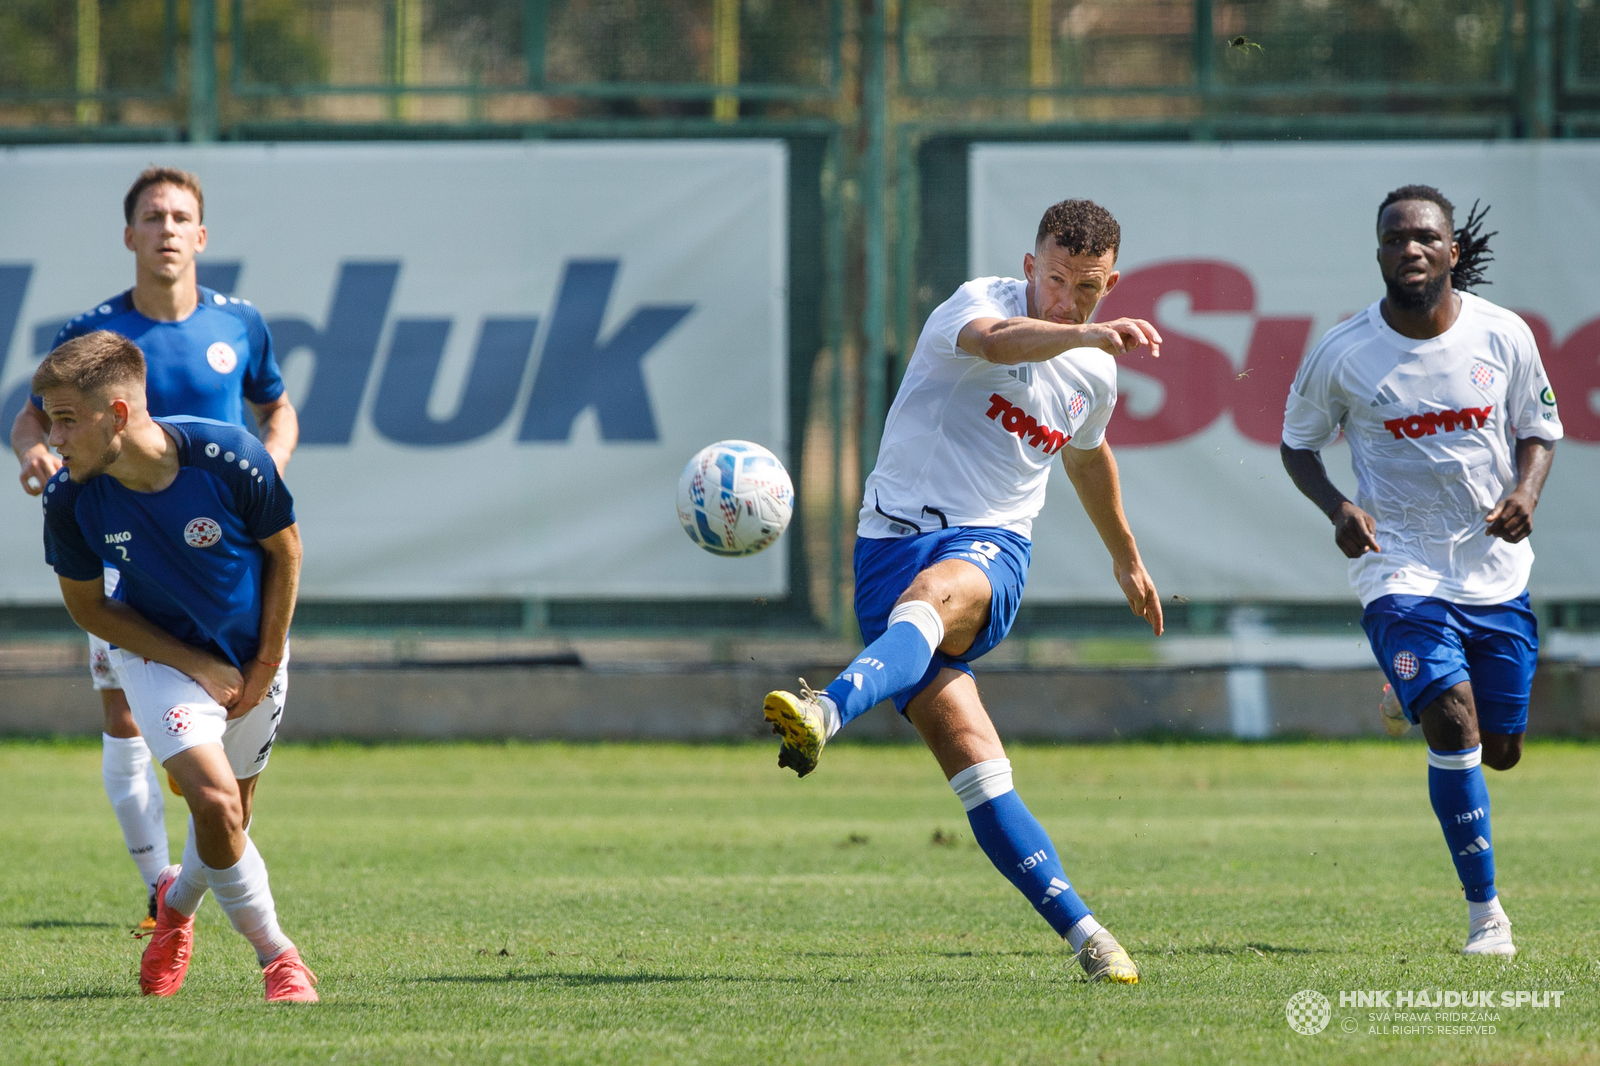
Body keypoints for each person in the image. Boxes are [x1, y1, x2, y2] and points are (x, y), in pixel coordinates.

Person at [762, 200, 1164, 983]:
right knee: (978, 763)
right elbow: (995, 342)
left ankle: (826, 710)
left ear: (1112, 282)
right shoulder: (979, 304)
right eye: (1054, 280)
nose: (1065, 300)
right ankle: (1089, 936)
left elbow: (1086, 458)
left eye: (1086, 288)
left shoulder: (1095, 370)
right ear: (1028, 268)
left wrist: (1127, 557)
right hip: (887, 554)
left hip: (992, 552)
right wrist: (1083, 332)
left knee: (941, 589)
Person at [9, 166, 297, 929]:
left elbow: (279, 409)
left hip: (219, 546)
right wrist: (35, 454)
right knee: (126, 716)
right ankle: (155, 880)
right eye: (152, 216)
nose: (167, 228)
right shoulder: (97, 333)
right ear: (129, 236)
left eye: (180, 217)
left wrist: (268, 470)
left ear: (200, 236)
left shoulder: (240, 324)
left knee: (232, 790)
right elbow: (35, 418)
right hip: (128, 555)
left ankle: (192, 889)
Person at [1280, 185, 1562, 957]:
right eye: (1395, 239)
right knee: (1454, 721)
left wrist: (1525, 492)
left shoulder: (1503, 336)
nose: (1410, 249)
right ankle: (1487, 918)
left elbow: (1539, 427)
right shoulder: (1345, 351)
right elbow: (1297, 444)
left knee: (1501, 747)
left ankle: (1403, 690)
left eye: (1424, 238)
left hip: (1493, 570)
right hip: (1397, 567)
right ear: (1379, 253)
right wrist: (1339, 508)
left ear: (1452, 251)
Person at [36, 329, 317, 1002]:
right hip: (157, 656)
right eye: (50, 423)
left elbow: (287, 554)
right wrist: (196, 665)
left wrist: (263, 662)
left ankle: (176, 909)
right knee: (212, 799)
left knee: (228, 825)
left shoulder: (229, 458)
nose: (56, 440)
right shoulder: (72, 499)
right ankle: (280, 958)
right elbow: (90, 610)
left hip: (255, 659)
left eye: (68, 422)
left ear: (120, 415)